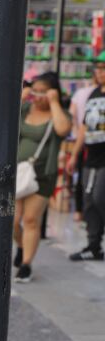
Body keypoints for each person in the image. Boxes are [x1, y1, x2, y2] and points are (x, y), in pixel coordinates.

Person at [14, 73, 71, 283]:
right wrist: (22, 96)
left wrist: (54, 102)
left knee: (30, 219)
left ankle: (26, 264)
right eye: (35, 91)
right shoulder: (26, 109)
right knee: (12, 220)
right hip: (18, 172)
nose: (38, 96)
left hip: (42, 175)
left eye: (43, 91)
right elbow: (4, 117)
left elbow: (63, 130)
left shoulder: (60, 113)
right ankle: (20, 246)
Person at [66, 52, 105, 261]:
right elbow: (83, 127)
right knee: (89, 200)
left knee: (100, 197)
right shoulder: (94, 94)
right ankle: (93, 245)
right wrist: (74, 155)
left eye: (102, 69)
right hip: (92, 156)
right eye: (97, 69)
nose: (99, 73)